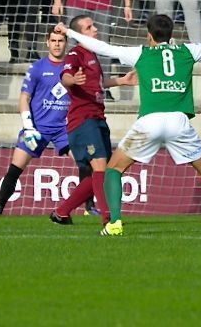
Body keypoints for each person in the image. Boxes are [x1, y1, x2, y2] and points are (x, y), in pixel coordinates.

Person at [55, 4, 201, 237]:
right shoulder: (188, 51)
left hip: (149, 123)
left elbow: (103, 48)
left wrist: (70, 32)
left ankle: (114, 223)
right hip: (179, 122)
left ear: (149, 35)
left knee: (113, 169)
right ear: (171, 34)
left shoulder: (140, 53)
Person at [47, 14, 138, 225]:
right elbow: (65, 76)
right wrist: (72, 80)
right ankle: (109, 219)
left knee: (100, 171)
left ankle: (61, 212)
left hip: (97, 117)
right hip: (83, 119)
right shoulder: (75, 53)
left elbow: (96, 82)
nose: (95, 29)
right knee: (99, 166)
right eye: (89, 27)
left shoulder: (93, 55)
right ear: (79, 34)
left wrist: (121, 81)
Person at [0, 30, 71, 215]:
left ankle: (90, 208)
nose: (57, 44)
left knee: (85, 165)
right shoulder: (37, 68)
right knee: (15, 168)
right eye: (53, 40)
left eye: (61, 41)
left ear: (66, 43)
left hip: (63, 129)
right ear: (47, 43)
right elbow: (24, 98)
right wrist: (28, 127)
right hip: (37, 128)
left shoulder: (71, 68)